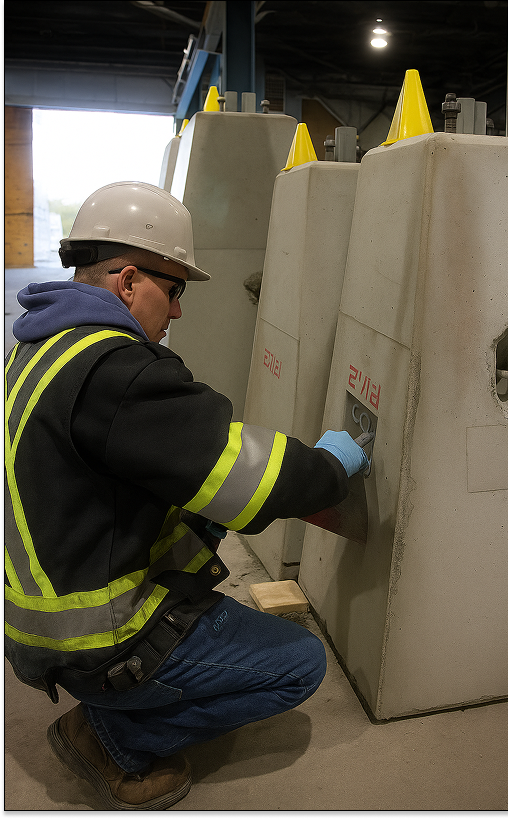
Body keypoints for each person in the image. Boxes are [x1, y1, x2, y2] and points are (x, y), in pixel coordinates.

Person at [5, 181, 369, 811]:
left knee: (201, 515)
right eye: (171, 291)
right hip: (97, 641)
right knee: (300, 664)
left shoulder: (40, 348)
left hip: (47, 619)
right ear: (126, 281)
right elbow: (249, 477)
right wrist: (331, 469)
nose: (177, 311)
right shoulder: (117, 373)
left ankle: (111, 706)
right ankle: (113, 734)